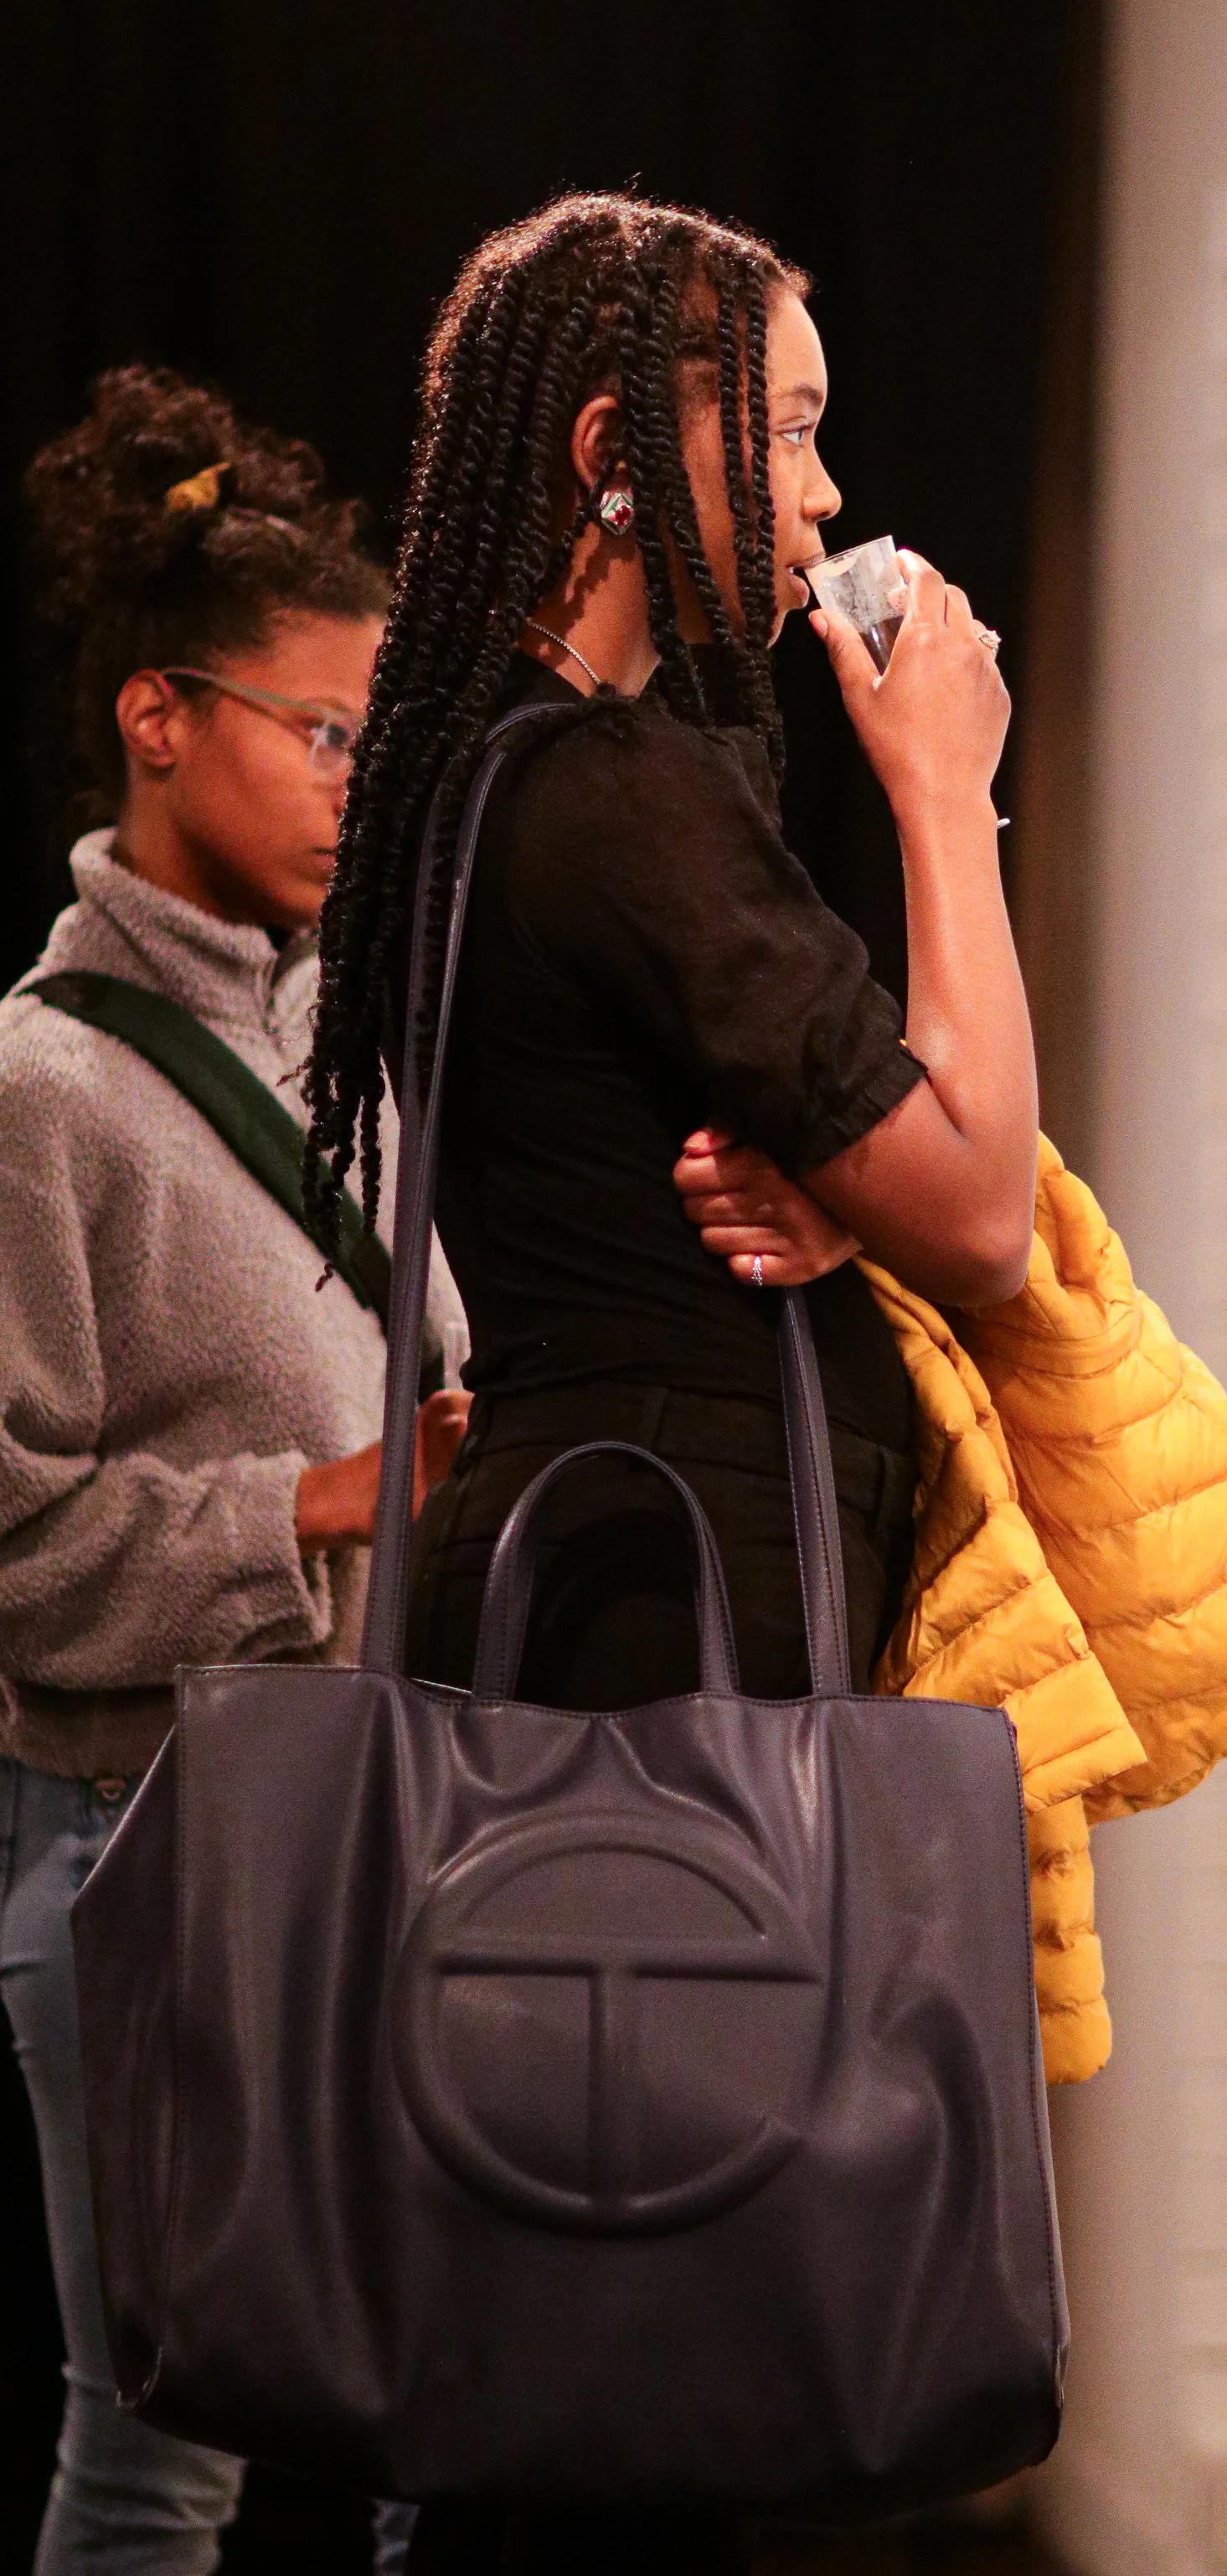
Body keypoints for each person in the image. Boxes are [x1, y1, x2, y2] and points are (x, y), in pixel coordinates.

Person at [302, 194, 1034, 2576]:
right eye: (795, 434)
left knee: (559, 2353)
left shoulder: (467, 776)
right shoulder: (613, 797)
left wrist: (840, 1195)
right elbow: (989, 1198)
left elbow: (829, 1158)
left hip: (582, 1601)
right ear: (625, 446)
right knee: (696, 2384)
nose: (828, 500)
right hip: (685, 1667)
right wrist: (943, 785)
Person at [0, 366, 467, 2576]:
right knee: (164, 2441)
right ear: (156, 718)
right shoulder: (36, 1089)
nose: (353, 789)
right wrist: (315, 1505)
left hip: (372, 1812)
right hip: (141, 1838)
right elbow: (14, 1554)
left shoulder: (337, 1037)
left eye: (379, 743)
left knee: (409, 2408)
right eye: (319, 733)